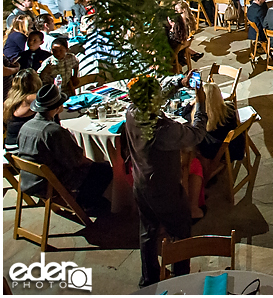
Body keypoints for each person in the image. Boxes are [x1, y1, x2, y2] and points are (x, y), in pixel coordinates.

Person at [123, 73, 209, 287]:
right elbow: (196, 134)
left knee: (147, 231)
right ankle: (181, 281)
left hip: (141, 182)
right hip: (164, 188)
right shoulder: (162, 129)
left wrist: (178, 83)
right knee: (180, 233)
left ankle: (149, 279)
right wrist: (201, 106)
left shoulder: (132, 111)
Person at [18, 84, 113, 213]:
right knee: (104, 169)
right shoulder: (53, 131)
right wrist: (95, 163)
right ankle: (86, 202)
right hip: (48, 182)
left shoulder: (25, 126)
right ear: (57, 107)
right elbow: (75, 160)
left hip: (28, 179)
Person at [194, 83, 243, 171]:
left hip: (214, 151)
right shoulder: (230, 108)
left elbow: (185, 114)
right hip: (232, 147)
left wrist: (194, 103)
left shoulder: (202, 118)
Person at [3, 69, 42, 150]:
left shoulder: (9, 101)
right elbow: (57, 109)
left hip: (9, 147)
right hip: (22, 148)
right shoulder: (33, 99)